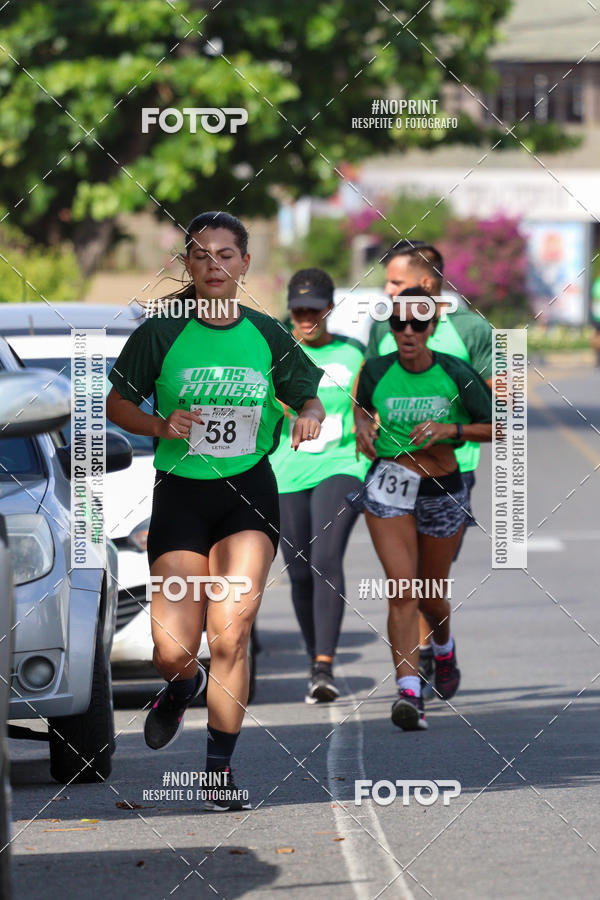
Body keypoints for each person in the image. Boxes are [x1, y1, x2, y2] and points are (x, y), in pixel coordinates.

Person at [106, 211, 325, 809]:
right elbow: (116, 403)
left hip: (248, 494)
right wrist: (159, 425)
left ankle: (217, 772)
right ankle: (182, 688)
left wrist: (308, 415)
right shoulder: (161, 333)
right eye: (201, 255)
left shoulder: (266, 333)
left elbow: (308, 394)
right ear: (188, 264)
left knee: (231, 634)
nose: (214, 265)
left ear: (244, 264)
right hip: (181, 494)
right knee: (173, 650)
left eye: (226, 255)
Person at [352, 296, 492, 730]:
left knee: (430, 595)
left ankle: (444, 648)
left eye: (418, 324)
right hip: (390, 485)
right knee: (402, 589)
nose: (408, 331)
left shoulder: (455, 372)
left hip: (442, 490)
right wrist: (362, 426)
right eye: (399, 324)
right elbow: (362, 405)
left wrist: (451, 429)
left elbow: (500, 425)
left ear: (432, 328)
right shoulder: (376, 370)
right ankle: (409, 692)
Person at [271, 268, 369, 702]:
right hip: (285, 470)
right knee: (298, 570)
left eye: (314, 310)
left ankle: (325, 665)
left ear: (329, 308)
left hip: (342, 465)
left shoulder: (353, 354)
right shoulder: (275, 352)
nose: (306, 318)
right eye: (299, 311)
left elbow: (367, 407)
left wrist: (369, 428)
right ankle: (316, 662)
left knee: (326, 558)